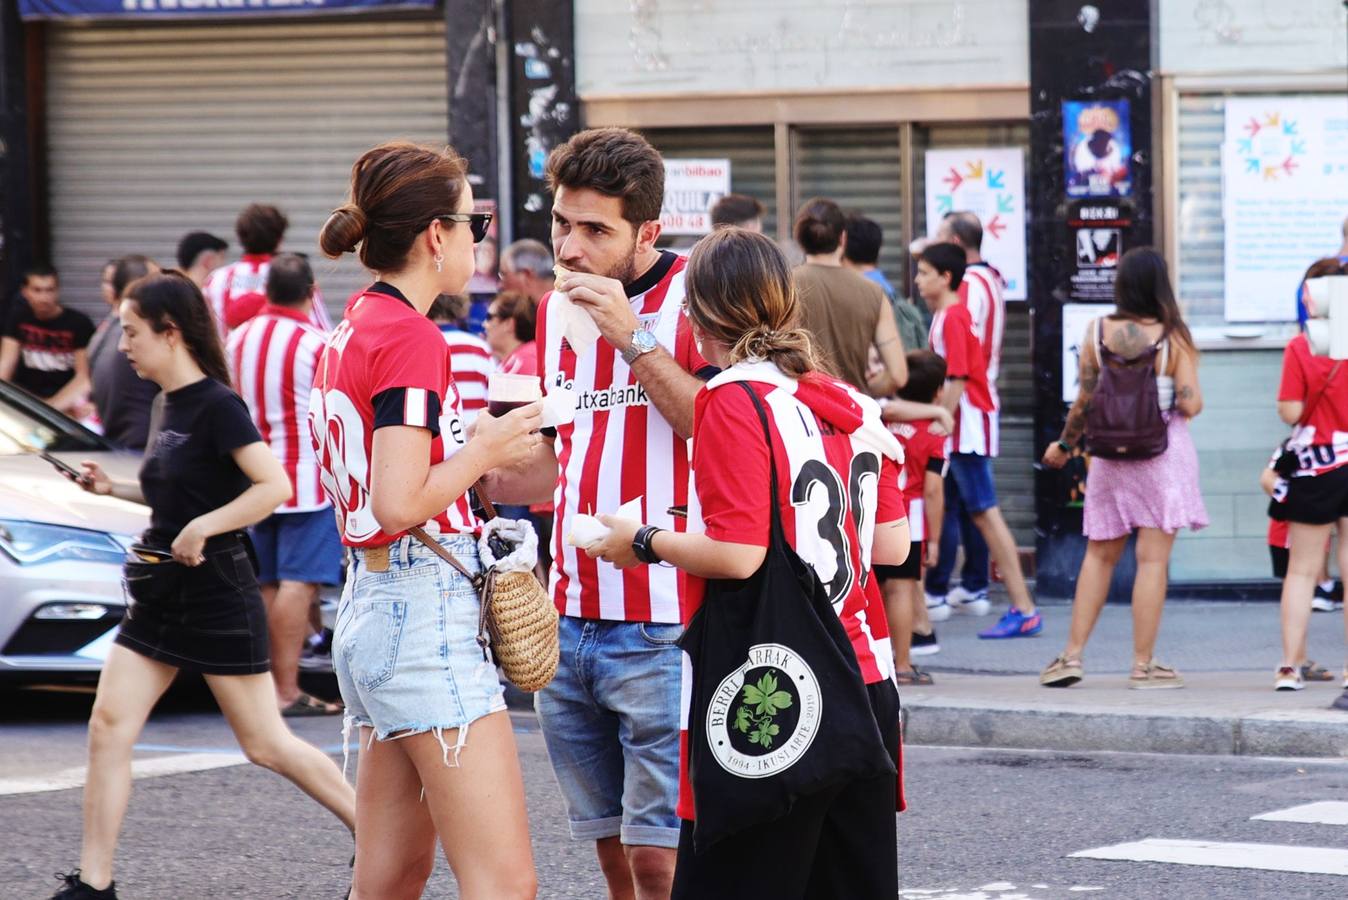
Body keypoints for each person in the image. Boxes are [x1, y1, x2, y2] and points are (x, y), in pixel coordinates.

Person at [585, 227, 908, 899]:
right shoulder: (846, 403)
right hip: (867, 679)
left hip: (780, 682)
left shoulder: (733, 399)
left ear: (693, 312)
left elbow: (737, 555)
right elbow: (890, 548)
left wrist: (642, 539)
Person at [51, 273, 355, 900]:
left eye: (133, 333)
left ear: (172, 331)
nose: (124, 346)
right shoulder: (165, 403)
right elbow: (181, 490)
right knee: (108, 724)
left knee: (266, 744)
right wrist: (115, 489)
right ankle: (93, 883)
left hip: (216, 589)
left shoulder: (218, 404)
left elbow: (272, 487)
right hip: (161, 592)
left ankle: (376, 834)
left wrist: (203, 528)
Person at [485, 127, 714, 900]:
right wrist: (469, 467)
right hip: (567, 619)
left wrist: (631, 334)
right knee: (611, 852)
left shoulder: (699, 295)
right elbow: (562, 458)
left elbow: (716, 431)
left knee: (661, 858)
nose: (571, 248)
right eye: (561, 223)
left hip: (665, 621)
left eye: (595, 230)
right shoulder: (552, 314)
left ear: (648, 231)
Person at [310, 141, 540, 900]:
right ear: (435, 234)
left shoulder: (354, 326)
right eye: (475, 219)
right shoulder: (412, 334)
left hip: (371, 605)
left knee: (389, 877)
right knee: (503, 885)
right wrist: (487, 448)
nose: (481, 238)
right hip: (420, 616)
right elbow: (401, 501)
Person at [1039, 248, 1207, 689]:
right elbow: (1191, 402)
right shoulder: (1173, 335)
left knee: (1099, 555)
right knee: (1152, 562)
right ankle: (1143, 665)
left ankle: (1071, 658)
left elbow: (1084, 402)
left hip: (1110, 458)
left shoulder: (1096, 332)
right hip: (1162, 456)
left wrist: (1062, 445)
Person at [226, 253, 344, 716]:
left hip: (253, 481)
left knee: (268, 583)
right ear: (312, 291)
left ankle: (269, 690)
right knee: (298, 583)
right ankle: (286, 690)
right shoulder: (316, 342)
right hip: (307, 481)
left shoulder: (237, 339)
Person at [916, 242, 1042, 639]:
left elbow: (958, 377)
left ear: (945, 276)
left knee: (985, 513)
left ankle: (1023, 607)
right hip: (963, 425)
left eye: (923, 273)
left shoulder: (953, 316)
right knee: (964, 510)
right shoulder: (948, 315)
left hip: (966, 428)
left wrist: (941, 420)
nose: (917, 280)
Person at [1260, 256, 1348, 704]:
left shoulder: (1300, 347)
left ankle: (1291, 665)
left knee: (1302, 571)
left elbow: (1292, 412)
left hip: (1317, 467)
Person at [924, 211, 1007, 621]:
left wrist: (942, 414)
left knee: (970, 504)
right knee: (963, 501)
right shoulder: (992, 278)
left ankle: (951, 588)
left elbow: (958, 360)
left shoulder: (965, 293)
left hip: (965, 409)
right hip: (972, 404)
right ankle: (971, 585)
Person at [791, 197, 907, 396]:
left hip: (798, 412)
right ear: (842, 238)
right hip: (852, 417)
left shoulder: (783, 286)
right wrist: (860, 394)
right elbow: (898, 375)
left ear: (799, 239)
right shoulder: (874, 293)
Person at [881, 350, 948, 683]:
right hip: (910, 518)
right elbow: (934, 489)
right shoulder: (934, 432)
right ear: (937, 391)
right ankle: (903, 664)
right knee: (902, 588)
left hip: (876, 511)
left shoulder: (880, 419)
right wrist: (936, 539)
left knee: (875, 587)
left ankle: (874, 661)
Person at [204, 204, 331, 334]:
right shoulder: (296, 277)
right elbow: (323, 332)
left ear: (241, 237)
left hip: (224, 353)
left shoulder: (214, 280)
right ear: (279, 239)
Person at [0, 265, 95, 415]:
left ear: (57, 290)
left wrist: (50, 410)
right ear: (25, 292)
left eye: (49, 290)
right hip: (27, 404)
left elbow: (83, 378)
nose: (44, 298)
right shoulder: (17, 318)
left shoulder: (78, 323)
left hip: (66, 406)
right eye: (37, 290)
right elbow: (5, 367)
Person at [89, 255, 160, 450]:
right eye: (158, 281)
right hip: (142, 449)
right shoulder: (138, 336)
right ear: (137, 287)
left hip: (120, 449)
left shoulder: (104, 333)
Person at [428, 293, 493, 427]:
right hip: (477, 433)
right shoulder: (479, 347)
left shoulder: (422, 343)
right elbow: (492, 398)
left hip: (439, 435)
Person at [484, 290, 539, 375]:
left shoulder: (527, 360)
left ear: (509, 324)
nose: (484, 324)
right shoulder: (522, 358)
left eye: (489, 317)